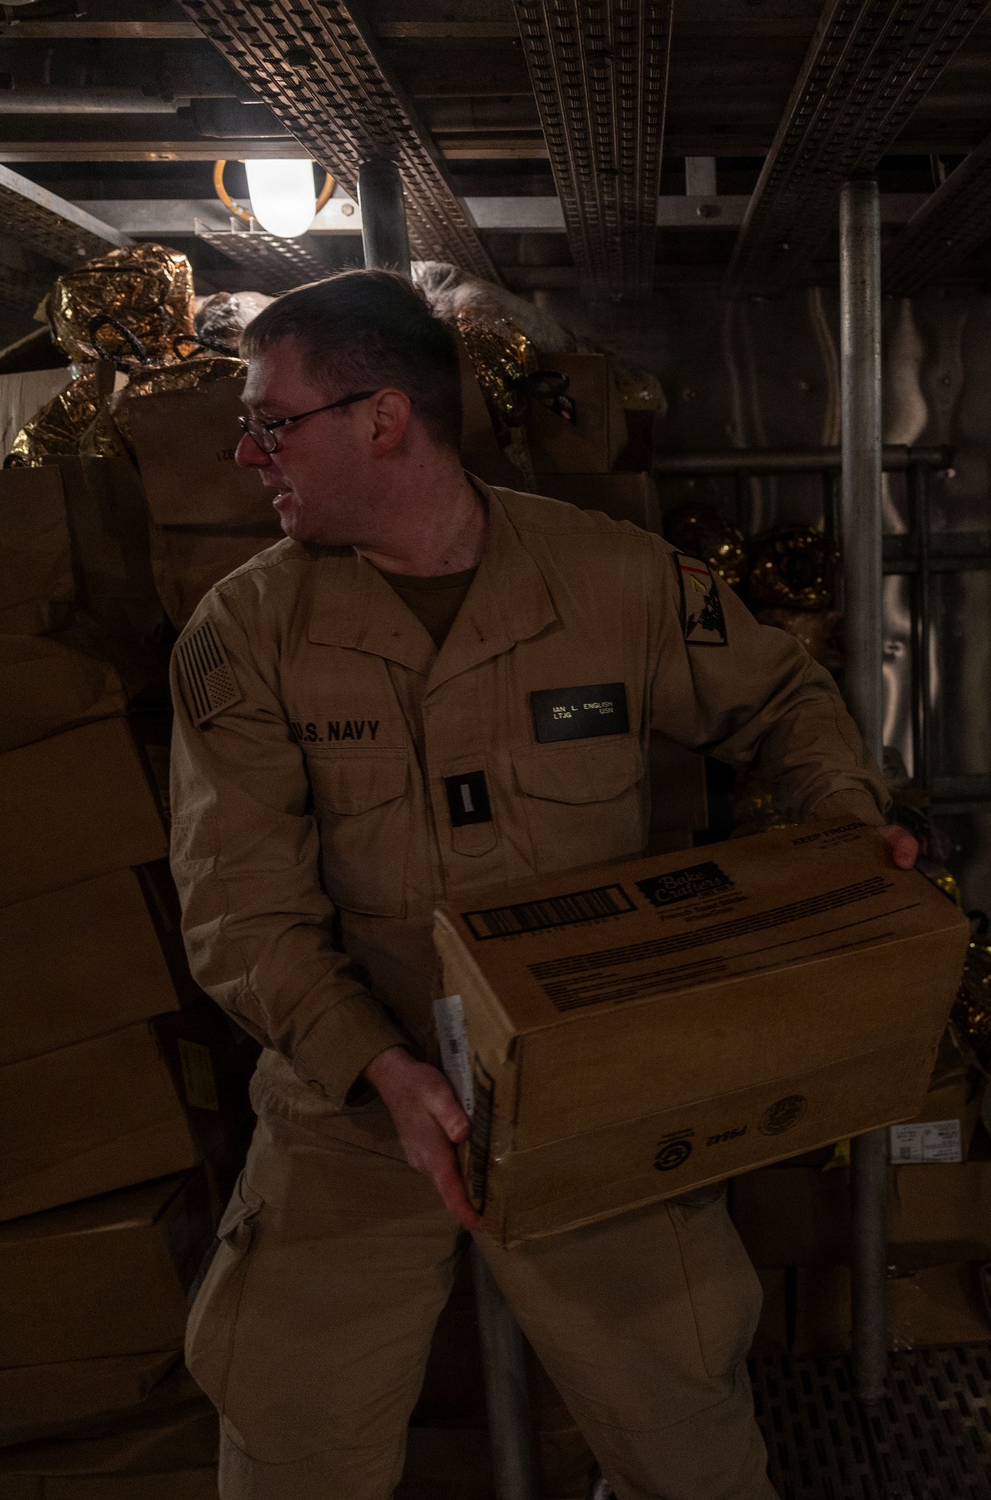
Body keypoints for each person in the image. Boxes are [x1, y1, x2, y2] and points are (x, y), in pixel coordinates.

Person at [169, 270, 917, 1500]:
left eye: (270, 421)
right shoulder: (248, 633)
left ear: (382, 418)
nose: (249, 454)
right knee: (289, 1427)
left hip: (592, 1091)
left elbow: (781, 697)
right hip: (354, 1101)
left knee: (686, 1433)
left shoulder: (611, 582)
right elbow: (240, 911)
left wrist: (845, 844)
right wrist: (380, 1067)